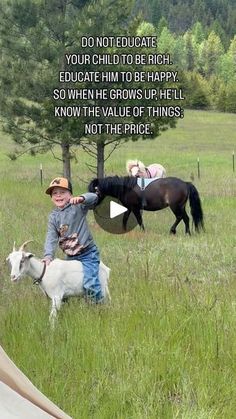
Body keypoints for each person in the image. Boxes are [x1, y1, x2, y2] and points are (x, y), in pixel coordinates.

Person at [42, 177, 103, 303]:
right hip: (71, 256)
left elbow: (94, 198)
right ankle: (64, 310)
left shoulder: (77, 206)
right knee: (63, 283)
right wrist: (48, 256)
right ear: (51, 197)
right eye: (55, 193)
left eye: (62, 192)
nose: (58, 196)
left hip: (88, 254)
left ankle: (98, 309)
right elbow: (51, 237)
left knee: (90, 284)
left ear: (70, 194)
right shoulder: (54, 217)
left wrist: (82, 198)